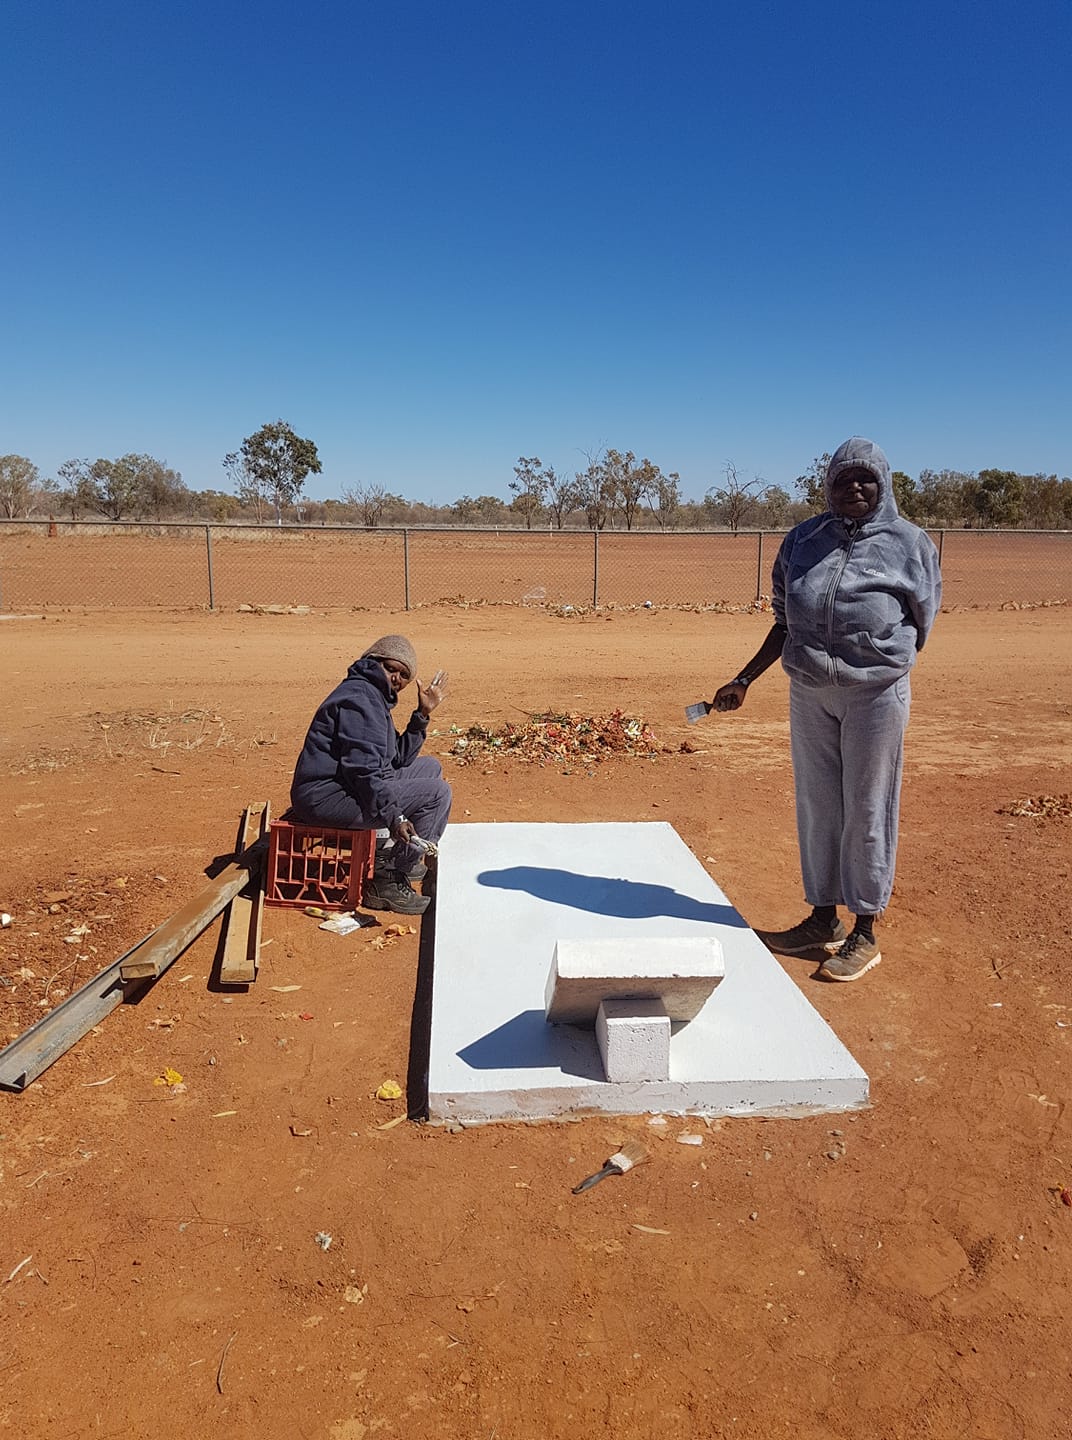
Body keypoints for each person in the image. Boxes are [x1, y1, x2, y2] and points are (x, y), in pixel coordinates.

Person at [712, 437, 941, 981]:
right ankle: (822, 919)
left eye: (866, 479)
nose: (855, 488)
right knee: (818, 806)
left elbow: (922, 618)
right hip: (810, 692)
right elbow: (784, 619)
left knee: (867, 806)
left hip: (875, 695)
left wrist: (879, 663)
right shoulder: (802, 541)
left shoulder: (911, 545)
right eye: (844, 479)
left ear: (884, 485)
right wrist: (744, 679)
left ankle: (864, 930)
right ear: (828, 485)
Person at [290, 634, 451, 916]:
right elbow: (365, 771)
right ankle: (387, 878)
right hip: (328, 796)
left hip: (346, 785)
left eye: (404, 675)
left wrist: (422, 715)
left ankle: (399, 858)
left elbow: (397, 759)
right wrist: (394, 816)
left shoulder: (372, 697)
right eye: (391, 668)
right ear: (372, 661)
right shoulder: (360, 700)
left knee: (431, 768)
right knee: (438, 794)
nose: (396, 679)